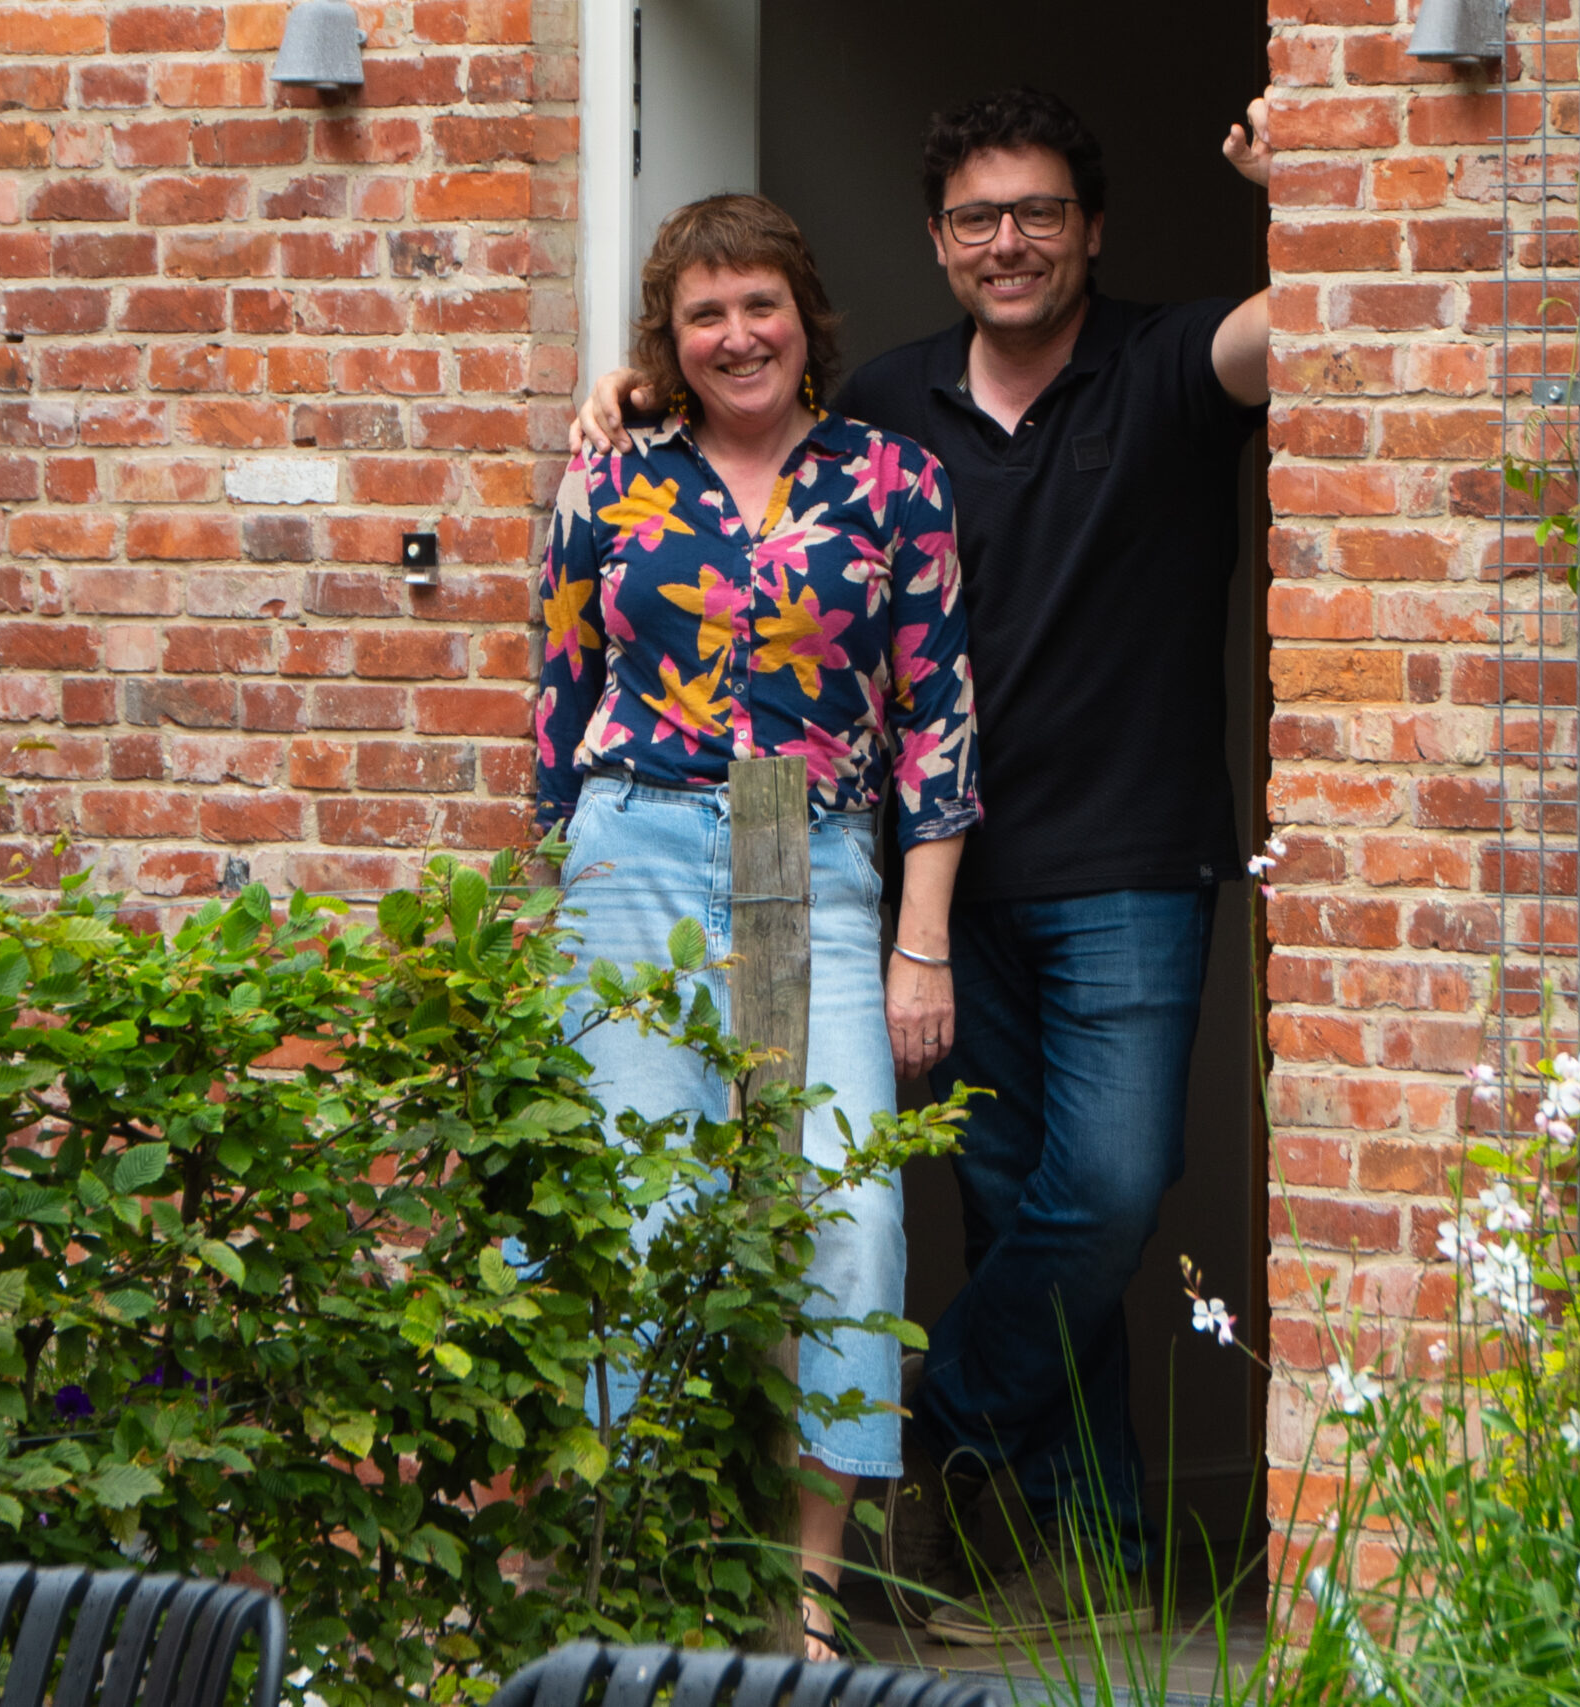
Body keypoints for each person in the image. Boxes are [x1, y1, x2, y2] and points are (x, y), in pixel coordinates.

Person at [573, 88, 1273, 1644]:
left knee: (1103, 1188)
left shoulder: (1165, 367)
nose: (1007, 242)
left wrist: (1315, 188)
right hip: (914, 877)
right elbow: (713, 433)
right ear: (938, 245)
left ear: (1090, 228)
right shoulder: (888, 406)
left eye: (1037, 214)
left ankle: (926, 1416)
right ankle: (1084, 1547)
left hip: (1120, 856)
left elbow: (1316, 323)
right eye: (976, 219)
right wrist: (629, 395)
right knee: (1009, 1199)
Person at [536, 192, 980, 1659]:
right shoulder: (609, 482)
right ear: (670, 341)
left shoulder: (897, 484)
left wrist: (922, 938)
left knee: (846, 1216)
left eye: (761, 304)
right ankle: (646, 1564)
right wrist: (562, 898)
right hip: (638, 851)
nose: (740, 335)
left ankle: (807, 1596)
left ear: (807, 316)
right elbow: (558, 698)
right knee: (640, 1212)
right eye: (705, 314)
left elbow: (938, 733)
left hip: (815, 851)